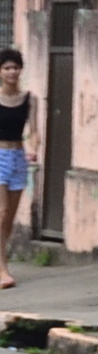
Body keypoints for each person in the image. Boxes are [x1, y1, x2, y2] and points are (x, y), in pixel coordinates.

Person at [0, 50, 28, 288]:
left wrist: (34, 146)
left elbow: (36, 130)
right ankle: (2, 269)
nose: (12, 72)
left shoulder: (30, 99)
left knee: (9, 217)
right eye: (7, 67)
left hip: (19, 156)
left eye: (16, 67)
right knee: (1, 212)